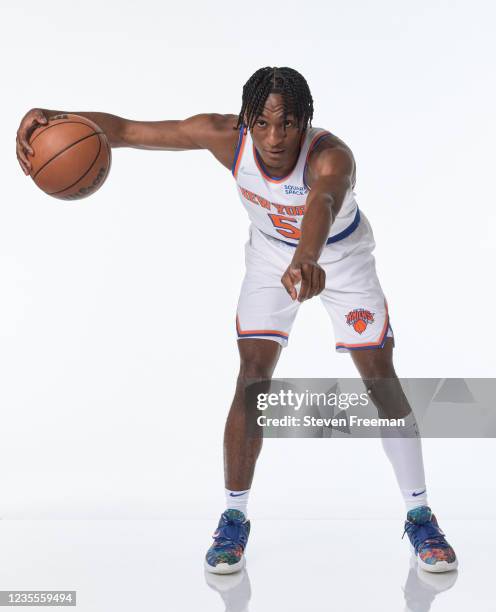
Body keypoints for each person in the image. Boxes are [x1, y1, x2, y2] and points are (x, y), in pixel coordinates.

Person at [16, 66, 457, 576]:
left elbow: (325, 199)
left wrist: (307, 258)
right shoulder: (225, 137)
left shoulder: (331, 156)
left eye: (288, 125)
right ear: (248, 119)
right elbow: (125, 130)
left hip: (338, 256)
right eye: (263, 123)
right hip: (272, 257)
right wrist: (55, 118)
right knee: (252, 378)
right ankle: (234, 517)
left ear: (305, 122)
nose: (274, 138)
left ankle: (420, 515)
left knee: (381, 380)